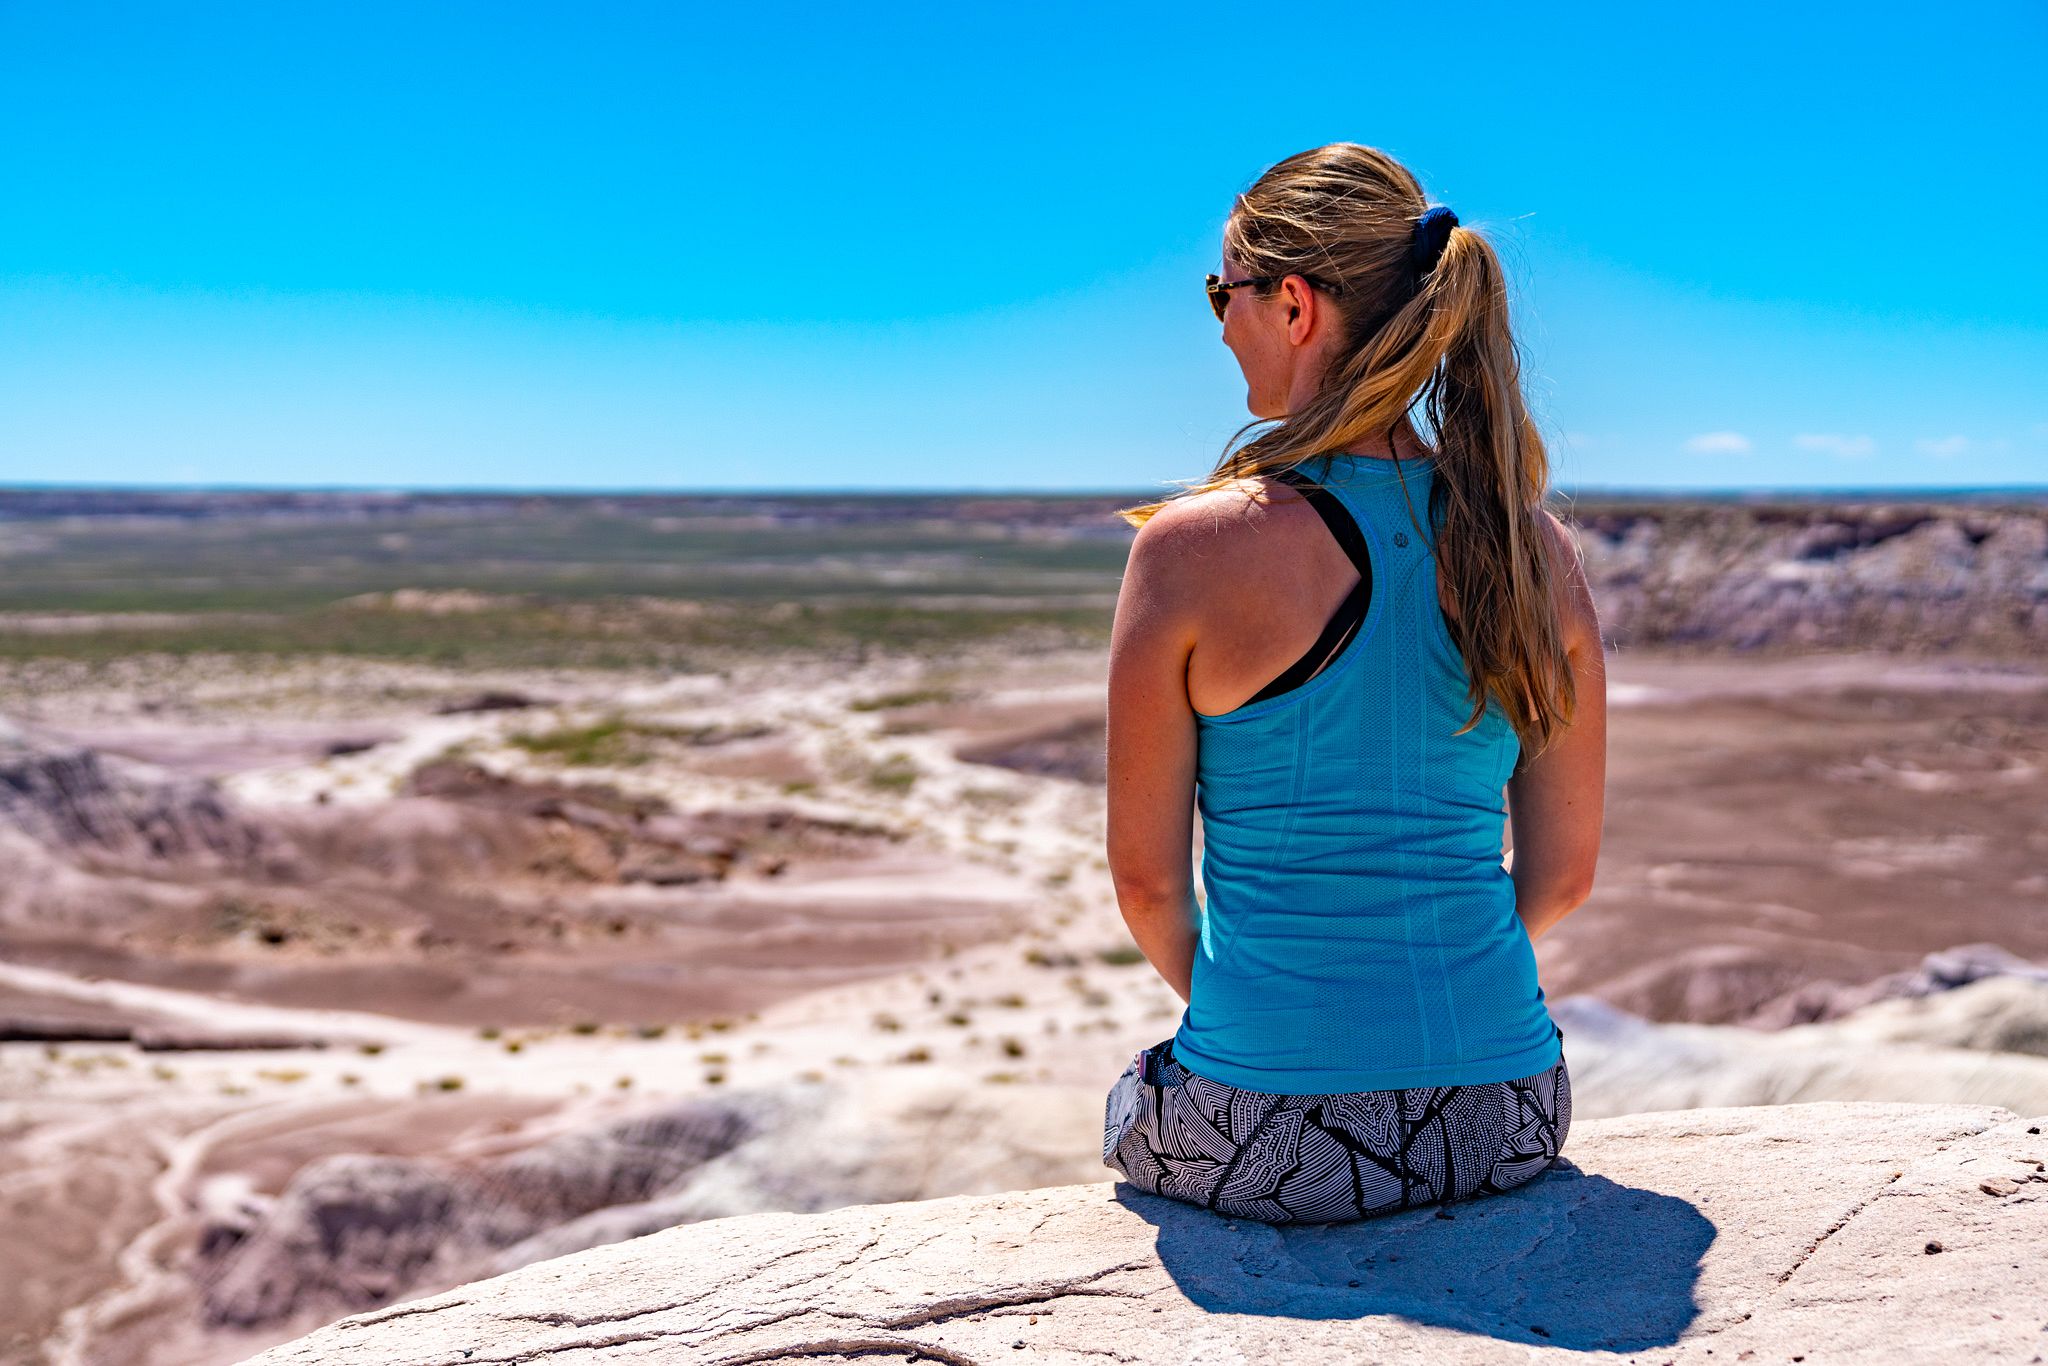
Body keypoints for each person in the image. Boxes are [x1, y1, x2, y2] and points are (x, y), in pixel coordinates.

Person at [1100, 142, 1606, 1225]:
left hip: (1271, 1128)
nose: (1218, 322)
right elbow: (1561, 881)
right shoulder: (1533, 551)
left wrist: (1284, 1023)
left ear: (1290, 305)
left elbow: (1146, 885)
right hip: (1509, 1110)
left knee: (1126, 1104)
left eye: (1218, 293)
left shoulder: (1191, 550)